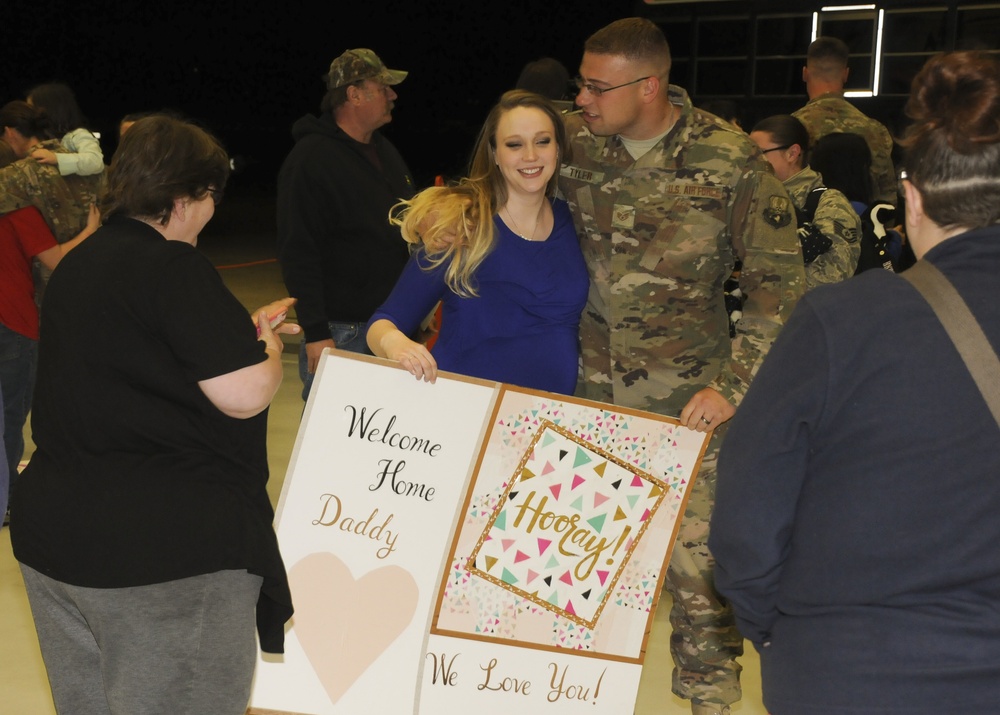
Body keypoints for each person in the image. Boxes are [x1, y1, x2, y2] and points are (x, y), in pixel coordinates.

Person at [710, 50, 1000, 714]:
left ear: (914, 198)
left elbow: (745, 523)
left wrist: (792, 637)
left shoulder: (839, 321)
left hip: (852, 672)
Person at [10, 115, 297, 715]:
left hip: (59, 538)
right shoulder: (171, 266)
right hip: (163, 552)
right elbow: (243, 392)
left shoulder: (80, 265)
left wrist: (234, 336)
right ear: (187, 197)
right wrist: (268, 348)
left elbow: (135, 360)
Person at [559, 17, 806, 715]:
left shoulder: (728, 162)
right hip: (588, 402)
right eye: (581, 82)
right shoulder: (574, 146)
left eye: (596, 86)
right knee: (570, 576)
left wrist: (732, 385)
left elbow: (779, 287)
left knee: (699, 583)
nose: (582, 98)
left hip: (688, 409)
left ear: (650, 86)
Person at [367, 90, 588, 394]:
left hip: (546, 425)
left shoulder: (572, 217)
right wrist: (396, 345)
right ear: (495, 154)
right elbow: (383, 322)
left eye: (542, 141)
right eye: (514, 144)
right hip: (466, 414)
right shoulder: (463, 224)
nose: (531, 155)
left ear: (559, 148)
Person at [277, 48, 415, 400]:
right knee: (332, 446)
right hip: (342, 333)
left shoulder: (385, 152)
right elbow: (298, 251)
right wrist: (317, 332)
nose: (393, 95)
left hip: (389, 329)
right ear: (354, 94)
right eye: (383, 87)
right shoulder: (310, 160)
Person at [0, 140, 100, 502]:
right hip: (11, 323)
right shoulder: (16, 208)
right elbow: (57, 260)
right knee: (10, 417)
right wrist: (91, 229)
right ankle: (7, 496)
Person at [749, 115, 861, 287]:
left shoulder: (829, 203)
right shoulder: (752, 199)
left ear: (792, 153)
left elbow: (832, 275)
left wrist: (759, 278)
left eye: (759, 153)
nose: (751, 161)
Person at [793, 37, 897, 204]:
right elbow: (887, 195)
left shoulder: (792, 128)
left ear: (805, 73)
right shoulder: (875, 130)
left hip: (806, 227)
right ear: (845, 74)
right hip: (862, 226)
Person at [0, 100, 102, 244]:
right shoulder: (79, 160)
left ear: (9, 133)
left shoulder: (17, 174)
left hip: (54, 263)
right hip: (95, 255)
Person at [26, 82, 105, 177]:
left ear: (50, 109)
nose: (30, 114)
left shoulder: (78, 135)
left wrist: (56, 158)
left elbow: (95, 162)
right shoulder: (41, 136)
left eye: (32, 109)